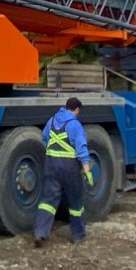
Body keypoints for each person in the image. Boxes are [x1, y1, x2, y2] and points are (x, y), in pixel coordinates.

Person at [33, 96, 92, 247]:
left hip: (51, 163)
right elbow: (81, 148)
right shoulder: (75, 125)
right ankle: (78, 235)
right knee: (75, 200)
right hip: (69, 166)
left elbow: (44, 138)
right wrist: (87, 170)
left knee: (48, 200)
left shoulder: (52, 120)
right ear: (77, 109)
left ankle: (40, 233)